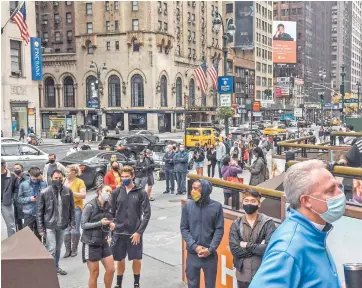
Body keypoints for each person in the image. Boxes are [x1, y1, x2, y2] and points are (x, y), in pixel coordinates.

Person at [249, 160, 344, 287]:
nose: (340, 194)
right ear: (306, 200)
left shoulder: (314, 232)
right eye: (331, 190)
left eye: (339, 186)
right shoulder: (288, 249)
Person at [111, 166, 151, 288]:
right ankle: (118, 284)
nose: (124, 179)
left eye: (127, 177)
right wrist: (111, 229)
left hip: (134, 233)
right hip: (119, 232)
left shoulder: (141, 193)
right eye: (122, 177)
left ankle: (136, 283)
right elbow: (111, 213)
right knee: (120, 259)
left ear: (132, 176)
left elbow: (147, 213)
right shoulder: (116, 192)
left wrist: (139, 232)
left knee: (136, 259)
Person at [180, 179, 224, 288]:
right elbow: (184, 229)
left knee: (210, 285)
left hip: (210, 256)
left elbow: (219, 230)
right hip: (192, 254)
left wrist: (210, 249)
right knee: (192, 284)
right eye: (192, 188)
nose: (192, 191)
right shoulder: (188, 206)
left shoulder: (217, 207)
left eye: (196, 188)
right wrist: (195, 247)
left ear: (204, 190)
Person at [229, 190, 276, 288]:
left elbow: (269, 248)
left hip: (262, 274)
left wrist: (246, 245)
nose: (249, 203)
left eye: (253, 201)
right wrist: (258, 247)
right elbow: (234, 249)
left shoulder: (268, 223)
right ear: (242, 203)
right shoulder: (236, 224)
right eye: (246, 200)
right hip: (242, 275)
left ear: (259, 204)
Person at [36, 169, 75, 275]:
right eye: (55, 178)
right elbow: (39, 212)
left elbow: (72, 209)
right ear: (51, 179)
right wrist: (40, 229)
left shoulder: (68, 191)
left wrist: (72, 223)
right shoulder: (44, 192)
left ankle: (56, 267)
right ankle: (48, 269)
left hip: (62, 225)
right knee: (51, 247)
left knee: (58, 248)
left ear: (63, 178)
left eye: (60, 178)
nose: (58, 180)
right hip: (50, 225)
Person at [81, 185, 115, 288]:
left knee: (111, 269)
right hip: (91, 243)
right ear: (100, 191)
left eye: (110, 191)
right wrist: (99, 223)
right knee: (94, 273)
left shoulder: (108, 205)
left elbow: (108, 220)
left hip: (103, 242)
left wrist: (110, 225)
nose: (108, 193)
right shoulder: (90, 206)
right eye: (106, 191)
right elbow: (83, 225)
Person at [63, 165, 86, 258]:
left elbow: (83, 195)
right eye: (66, 171)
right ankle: (67, 250)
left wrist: (72, 193)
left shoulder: (80, 182)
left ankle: (74, 248)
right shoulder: (63, 180)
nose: (67, 173)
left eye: (69, 171)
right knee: (66, 230)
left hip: (76, 207)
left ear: (75, 173)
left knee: (75, 230)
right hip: (64, 208)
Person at [18, 167, 47, 239]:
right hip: (29, 213)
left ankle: (38, 249)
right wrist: (30, 199)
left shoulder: (44, 184)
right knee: (27, 235)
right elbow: (19, 199)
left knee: (39, 235)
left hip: (40, 213)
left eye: (37, 179)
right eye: (34, 179)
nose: (35, 181)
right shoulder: (23, 184)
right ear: (29, 175)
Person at [1, 158, 17, 237]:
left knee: (11, 225)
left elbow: (16, 189)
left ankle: (12, 243)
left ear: (3, 166)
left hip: (6, 203)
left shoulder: (12, 175)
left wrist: (11, 198)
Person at [13, 163, 28, 231]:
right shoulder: (13, 178)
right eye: (15, 168)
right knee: (17, 221)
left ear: (22, 170)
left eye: (18, 168)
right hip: (15, 202)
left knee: (25, 221)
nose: (16, 170)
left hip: (24, 203)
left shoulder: (26, 179)